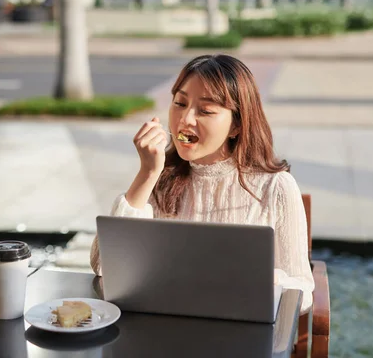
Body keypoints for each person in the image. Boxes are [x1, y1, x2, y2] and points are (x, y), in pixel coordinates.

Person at [90, 54, 314, 314]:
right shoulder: (161, 179)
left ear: (236, 126)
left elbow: (303, 292)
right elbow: (103, 266)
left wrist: (261, 280)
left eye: (205, 110)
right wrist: (147, 174)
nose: (185, 119)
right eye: (179, 103)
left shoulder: (276, 188)